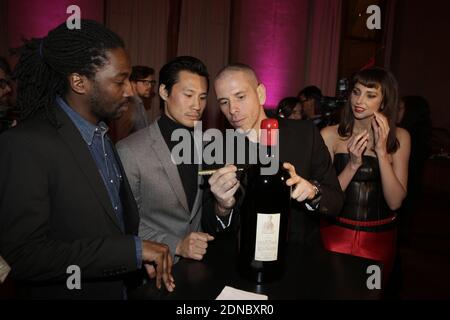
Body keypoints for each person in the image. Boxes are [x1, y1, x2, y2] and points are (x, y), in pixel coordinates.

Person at [0, 20, 175, 299]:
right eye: (119, 81)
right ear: (79, 82)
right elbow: (25, 255)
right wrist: (132, 251)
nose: (130, 91)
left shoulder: (103, 134)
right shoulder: (25, 144)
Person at [202, 63, 344, 246]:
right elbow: (209, 227)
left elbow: (336, 202)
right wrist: (222, 207)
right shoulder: (216, 149)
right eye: (224, 102)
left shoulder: (305, 135)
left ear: (260, 93)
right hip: (244, 258)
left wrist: (312, 192)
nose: (232, 109)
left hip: (299, 256)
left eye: (240, 96)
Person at [117, 56, 214, 262]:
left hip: (198, 267)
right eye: (188, 94)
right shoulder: (130, 150)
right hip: (154, 272)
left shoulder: (206, 144)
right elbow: (124, 221)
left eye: (203, 97)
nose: (197, 105)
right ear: (163, 92)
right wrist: (176, 245)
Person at [319, 67, 411, 281]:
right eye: (356, 92)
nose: (359, 100)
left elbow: (396, 201)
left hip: (379, 239)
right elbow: (324, 198)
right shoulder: (331, 135)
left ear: (384, 101)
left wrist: (380, 151)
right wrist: (352, 165)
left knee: (371, 294)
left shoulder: (401, 138)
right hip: (335, 234)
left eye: (370, 95)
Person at [113, 66, 155, 141]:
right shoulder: (128, 106)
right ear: (133, 83)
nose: (150, 86)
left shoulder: (139, 103)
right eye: (146, 82)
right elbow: (120, 139)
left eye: (151, 83)